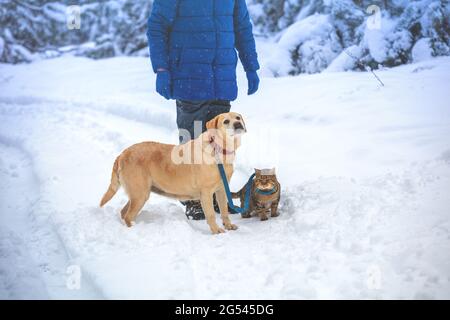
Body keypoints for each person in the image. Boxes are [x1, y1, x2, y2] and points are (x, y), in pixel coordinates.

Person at [147, 0, 260, 220]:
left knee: (221, 143)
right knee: (192, 140)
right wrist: (161, 68)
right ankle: (193, 198)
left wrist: (251, 66)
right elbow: (157, 26)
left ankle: (216, 194)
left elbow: (242, 28)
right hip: (189, 76)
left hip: (222, 78)